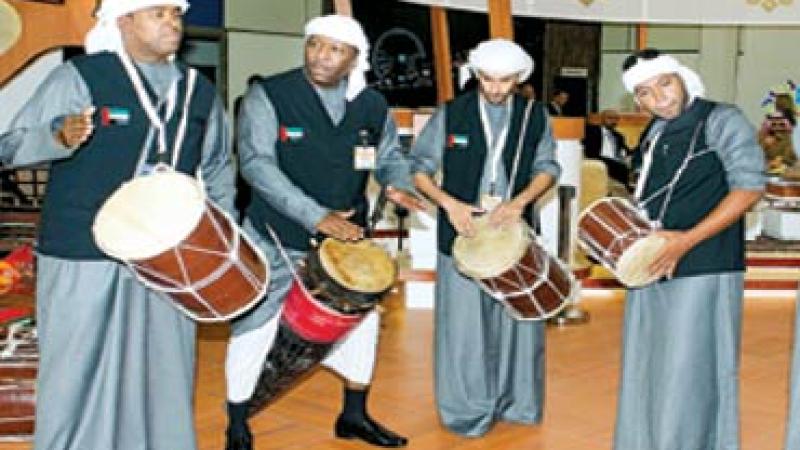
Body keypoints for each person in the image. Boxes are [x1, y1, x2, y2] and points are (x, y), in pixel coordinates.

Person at [0, 1, 235, 448]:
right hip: (82, 250)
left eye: (176, 14)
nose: (172, 22)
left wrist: (221, 241)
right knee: (74, 369)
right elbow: (10, 146)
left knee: (163, 370)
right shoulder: (81, 77)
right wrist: (56, 136)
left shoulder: (199, 90)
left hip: (171, 257)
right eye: (158, 13)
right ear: (124, 20)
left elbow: (218, 167)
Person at [224, 14, 423, 450]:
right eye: (314, 44)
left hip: (346, 237)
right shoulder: (269, 95)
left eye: (334, 49)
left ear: (354, 58)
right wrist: (315, 216)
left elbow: (389, 155)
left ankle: (354, 415)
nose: (320, 56)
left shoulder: (371, 104)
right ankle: (237, 422)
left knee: (361, 324)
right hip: (276, 233)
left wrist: (398, 184)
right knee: (255, 322)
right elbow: (256, 164)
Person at [614, 48, 764, 450]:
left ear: (682, 78)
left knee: (689, 373)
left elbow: (749, 188)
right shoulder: (655, 130)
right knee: (648, 367)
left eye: (665, 84)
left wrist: (685, 242)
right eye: (645, 93)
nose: (658, 98)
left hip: (704, 264)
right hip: (653, 262)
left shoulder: (722, 119)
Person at [410, 39, 560, 437]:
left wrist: (520, 202)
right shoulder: (451, 113)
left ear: (518, 78)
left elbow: (548, 168)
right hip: (462, 232)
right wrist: (449, 204)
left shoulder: (534, 115)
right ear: (476, 75)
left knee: (519, 320)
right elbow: (420, 167)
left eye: (505, 80)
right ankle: (466, 411)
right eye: (488, 79)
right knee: (463, 328)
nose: (495, 88)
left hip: (515, 232)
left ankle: (517, 403)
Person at [582, 108, 631, 186]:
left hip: (615, 161)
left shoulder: (618, 136)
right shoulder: (592, 130)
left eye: (616, 119)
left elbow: (626, 150)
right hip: (598, 158)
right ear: (602, 119)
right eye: (610, 118)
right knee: (621, 167)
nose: (613, 121)